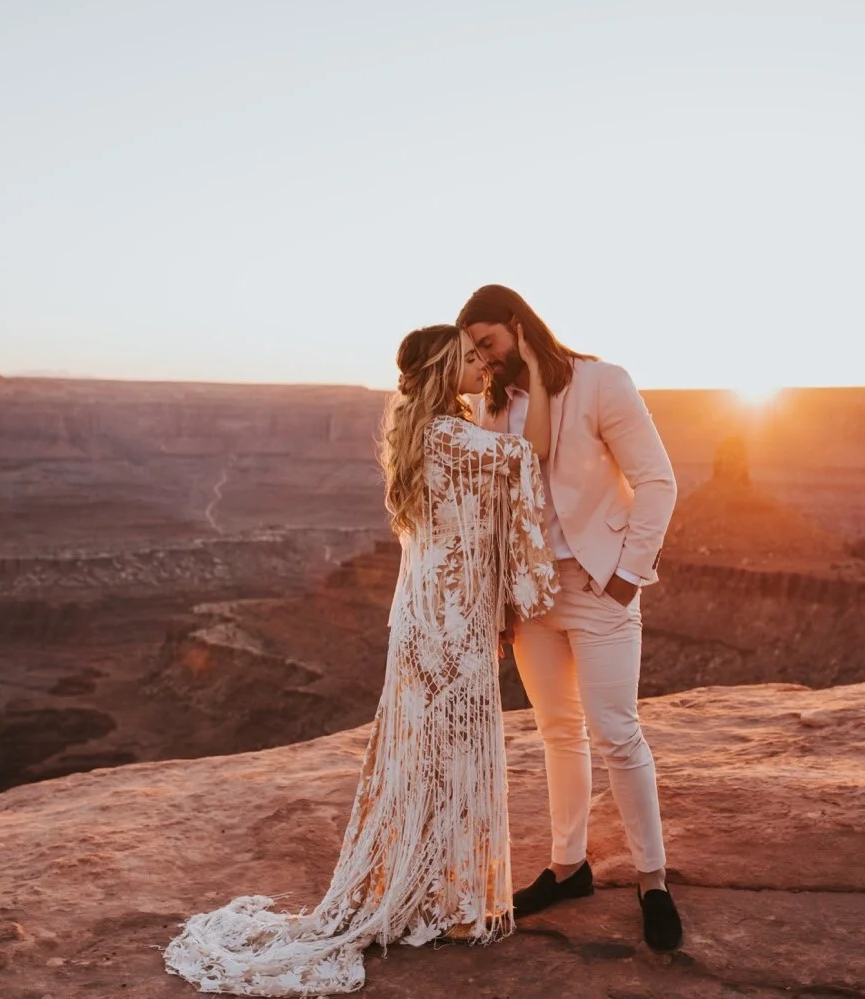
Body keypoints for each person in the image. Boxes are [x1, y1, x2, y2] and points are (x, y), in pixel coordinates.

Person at [163, 324, 559, 996]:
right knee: (455, 754)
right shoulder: (449, 437)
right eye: (467, 359)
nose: (479, 367)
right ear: (441, 370)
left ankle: (438, 894)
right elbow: (526, 456)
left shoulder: (425, 432)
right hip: (450, 618)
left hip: (423, 613)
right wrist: (542, 383)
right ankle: (454, 906)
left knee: (430, 757)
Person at [458, 284, 683, 951]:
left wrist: (624, 577)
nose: (484, 361)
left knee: (617, 733)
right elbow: (498, 507)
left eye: (490, 344)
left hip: (597, 588)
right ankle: (568, 865)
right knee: (558, 731)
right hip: (531, 599)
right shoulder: (493, 406)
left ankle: (653, 879)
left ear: (520, 329)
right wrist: (499, 600)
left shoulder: (601, 383)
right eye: (473, 352)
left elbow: (659, 482)